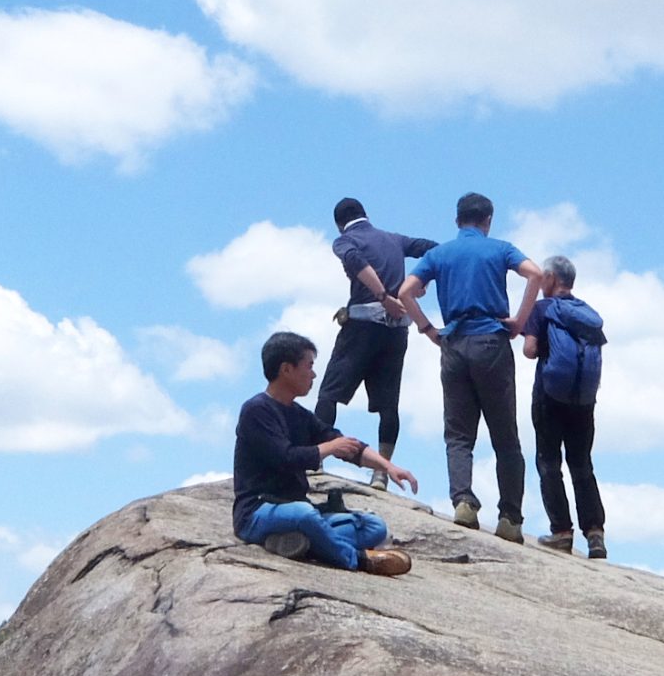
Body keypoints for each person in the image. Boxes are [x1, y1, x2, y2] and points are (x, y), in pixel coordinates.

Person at [397, 192, 545, 541]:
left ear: (457, 220)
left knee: (459, 435)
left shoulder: (438, 254)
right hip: (492, 341)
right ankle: (510, 518)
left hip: (454, 344)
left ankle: (463, 502)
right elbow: (535, 273)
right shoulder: (500, 249)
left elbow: (405, 291)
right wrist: (520, 321)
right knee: (505, 435)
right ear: (488, 220)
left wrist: (428, 329)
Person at [232, 331, 418, 575]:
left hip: (297, 509)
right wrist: (329, 448)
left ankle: (296, 543)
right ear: (286, 369)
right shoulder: (256, 411)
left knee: (374, 527)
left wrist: (388, 467)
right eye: (308, 366)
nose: (313, 374)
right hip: (258, 512)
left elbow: (346, 445)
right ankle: (358, 560)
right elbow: (286, 458)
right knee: (304, 515)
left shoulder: (300, 415)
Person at [314, 197, 437, 470]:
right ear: (365, 214)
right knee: (388, 404)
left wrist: (383, 296)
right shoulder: (394, 239)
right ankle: (382, 473)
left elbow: (356, 262)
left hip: (362, 326)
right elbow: (433, 250)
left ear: (339, 224)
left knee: (329, 393)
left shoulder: (345, 241)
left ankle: (317, 462)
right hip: (396, 331)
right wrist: (420, 281)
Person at [522, 254, 607, 559]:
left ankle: (561, 531)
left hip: (549, 395)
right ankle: (595, 535)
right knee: (582, 465)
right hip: (583, 400)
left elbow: (529, 351)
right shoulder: (588, 314)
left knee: (548, 463)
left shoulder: (543, 309)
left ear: (551, 279)